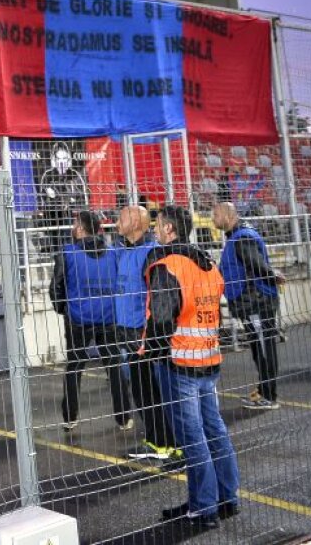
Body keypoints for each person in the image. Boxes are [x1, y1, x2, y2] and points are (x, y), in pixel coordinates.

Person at [147, 205, 239, 530]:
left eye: (158, 225)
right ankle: (227, 497)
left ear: (170, 230)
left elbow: (160, 319)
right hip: (209, 359)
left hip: (180, 362)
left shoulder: (168, 266)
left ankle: (204, 507)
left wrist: (150, 351)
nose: (154, 229)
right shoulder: (208, 263)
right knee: (213, 429)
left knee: (193, 436)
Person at [49, 210, 133, 431]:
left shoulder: (67, 253)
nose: (72, 227)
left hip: (78, 317)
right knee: (114, 366)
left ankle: (70, 416)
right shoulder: (114, 252)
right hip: (108, 317)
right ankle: (124, 417)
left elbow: (56, 286)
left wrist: (63, 309)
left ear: (80, 229)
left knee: (74, 367)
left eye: (75, 223)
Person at [115, 206, 181, 461]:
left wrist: (148, 333)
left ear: (135, 222)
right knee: (143, 390)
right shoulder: (125, 251)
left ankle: (162, 442)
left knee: (150, 390)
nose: (116, 222)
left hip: (142, 335)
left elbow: (158, 296)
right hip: (128, 332)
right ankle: (161, 440)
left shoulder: (151, 253)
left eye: (122, 217)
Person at [212, 202, 281, 410]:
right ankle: (263, 389)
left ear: (227, 215)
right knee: (259, 348)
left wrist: (273, 275)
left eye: (215, 215)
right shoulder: (237, 236)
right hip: (251, 304)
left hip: (257, 304)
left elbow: (257, 264)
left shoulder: (242, 238)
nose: (212, 219)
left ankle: (269, 396)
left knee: (263, 348)